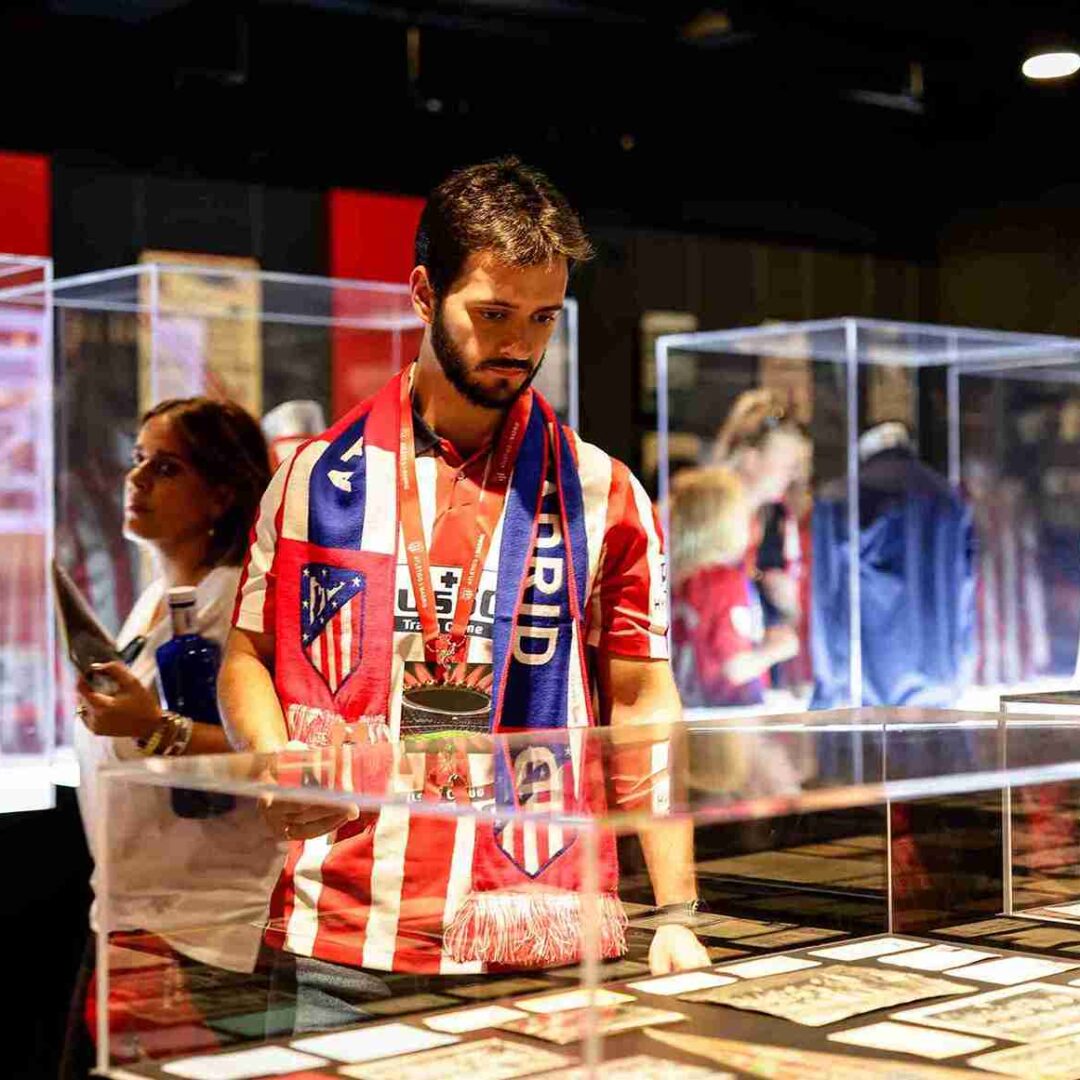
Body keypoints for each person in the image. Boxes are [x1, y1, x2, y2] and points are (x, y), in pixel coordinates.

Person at [219, 158, 708, 1029]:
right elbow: (248, 658)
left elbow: (641, 700)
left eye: (543, 317)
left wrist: (675, 910)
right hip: (347, 929)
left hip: (537, 934)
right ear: (422, 293)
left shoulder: (605, 493)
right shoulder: (313, 480)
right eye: (492, 313)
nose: (519, 344)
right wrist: (272, 761)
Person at [63, 398, 283, 1077]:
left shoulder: (237, 605)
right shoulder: (157, 597)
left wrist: (153, 729)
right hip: (132, 907)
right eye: (137, 460)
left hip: (204, 925)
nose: (136, 480)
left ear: (222, 492)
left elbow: (268, 757)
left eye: (166, 467)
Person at [670, 466, 799, 707]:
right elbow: (734, 667)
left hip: (693, 709)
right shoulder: (723, 581)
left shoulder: (681, 580)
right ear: (722, 523)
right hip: (729, 714)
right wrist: (778, 648)